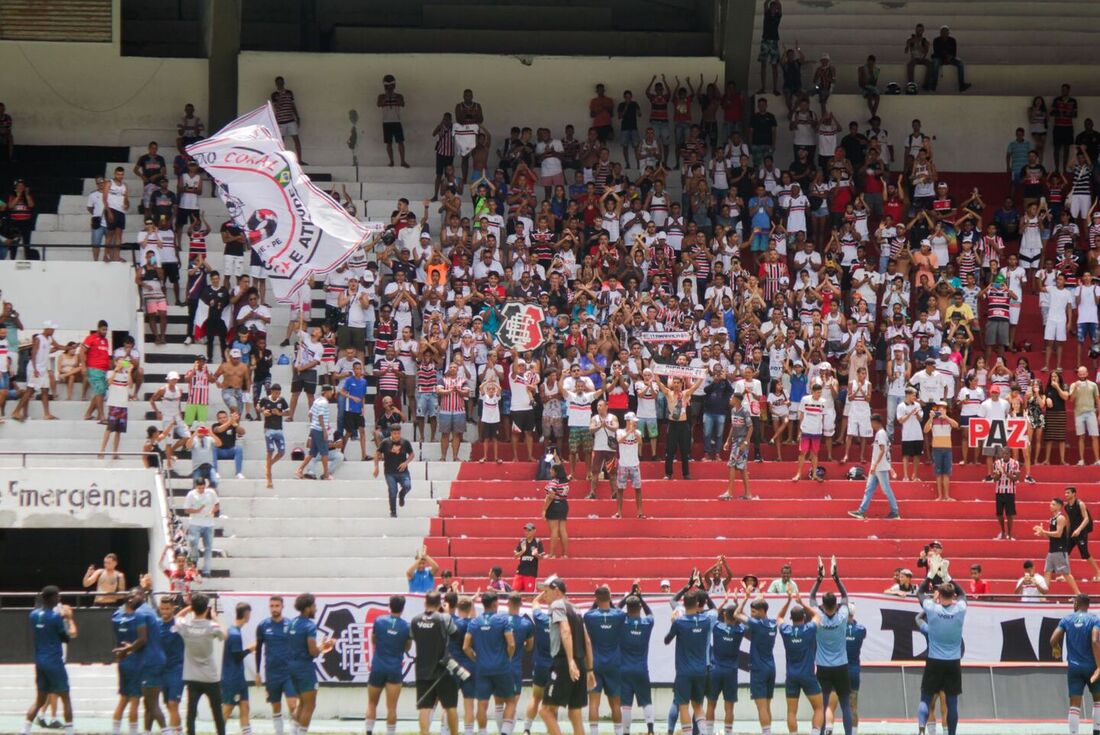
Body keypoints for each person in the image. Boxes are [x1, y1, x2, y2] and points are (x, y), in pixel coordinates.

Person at [540, 579, 594, 735]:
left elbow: (565, 630)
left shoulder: (557, 605)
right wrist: (589, 669)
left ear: (556, 590)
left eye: (547, 591)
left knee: (546, 711)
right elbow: (587, 641)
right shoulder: (576, 609)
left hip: (564, 663)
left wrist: (570, 662)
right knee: (575, 714)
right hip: (580, 664)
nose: (544, 595)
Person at [22, 586, 77, 735]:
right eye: (57, 596)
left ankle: (24, 731)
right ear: (52, 598)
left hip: (40, 662)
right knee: (65, 697)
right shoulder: (55, 617)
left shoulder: (32, 615)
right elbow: (66, 638)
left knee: (40, 700)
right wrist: (68, 618)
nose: (59, 599)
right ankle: (70, 731)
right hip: (54, 661)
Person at [808, 557, 854, 735]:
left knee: (823, 704)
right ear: (835, 605)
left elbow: (811, 597)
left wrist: (819, 578)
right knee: (844, 704)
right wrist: (836, 577)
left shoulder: (817, 617)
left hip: (823, 667)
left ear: (823, 605)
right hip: (841, 666)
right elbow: (845, 596)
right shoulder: (843, 615)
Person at [915, 578, 967, 735]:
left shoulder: (932, 608)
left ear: (940, 595)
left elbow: (920, 592)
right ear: (953, 596)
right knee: (952, 703)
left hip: (934, 661)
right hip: (953, 662)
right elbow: (963, 593)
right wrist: (949, 576)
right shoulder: (960, 610)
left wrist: (930, 575)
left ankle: (922, 730)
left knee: (925, 698)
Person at [464, 591, 518, 735]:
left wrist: (476, 659)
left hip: (482, 669)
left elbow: (465, 647)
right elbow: (511, 644)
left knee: (482, 703)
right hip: (502, 668)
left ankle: (482, 732)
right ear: (494, 603)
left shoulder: (474, 622)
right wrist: (508, 658)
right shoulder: (503, 620)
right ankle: (505, 732)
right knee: (511, 701)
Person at [1050, 593, 1100, 735]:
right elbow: (1095, 641)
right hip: (1092, 666)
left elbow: (1053, 639)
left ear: (1077, 604)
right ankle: (1097, 731)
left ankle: (1073, 733)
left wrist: (1056, 647)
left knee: (1074, 705)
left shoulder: (1067, 619)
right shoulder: (1094, 619)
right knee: (1098, 701)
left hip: (1074, 668)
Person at [411, 591, 460, 735]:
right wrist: (446, 613)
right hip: (443, 670)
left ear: (425, 603)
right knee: (450, 706)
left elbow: (411, 638)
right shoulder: (444, 618)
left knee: (425, 708)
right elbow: (456, 635)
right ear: (440, 604)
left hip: (423, 670)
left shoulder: (415, 620)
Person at [777, 588, 823, 735]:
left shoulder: (786, 630)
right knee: (819, 708)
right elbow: (817, 615)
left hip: (791, 676)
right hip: (808, 675)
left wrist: (788, 600)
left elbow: (779, 617)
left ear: (791, 618)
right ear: (804, 616)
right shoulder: (809, 629)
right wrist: (802, 602)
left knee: (791, 711)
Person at [286, 594, 335, 735]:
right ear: (307, 608)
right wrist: (324, 646)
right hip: (304, 668)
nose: (316, 608)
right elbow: (312, 651)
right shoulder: (309, 625)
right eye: (314, 606)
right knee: (310, 705)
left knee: (301, 703)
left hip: (291, 666)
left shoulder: (292, 623)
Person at [732, 591, 778, 735]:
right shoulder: (772, 624)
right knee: (767, 705)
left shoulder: (756, 625)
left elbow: (736, 615)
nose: (751, 614)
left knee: (761, 707)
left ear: (762, 611)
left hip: (758, 669)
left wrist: (744, 598)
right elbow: (750, 619)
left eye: (753, 611)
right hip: (771, 668)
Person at [365, 596, 412, 735]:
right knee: (392, 707)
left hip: (378, 666)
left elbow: (373, 640)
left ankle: (368, 731)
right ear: (403, 608)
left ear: (389, 606)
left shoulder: (379, 621)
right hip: (394, 668)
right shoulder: (406, 626)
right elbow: (407, 648)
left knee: (372, 703)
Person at [584, 586, 626, 735]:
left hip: (595, 663)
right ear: (610, 597)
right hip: (614, 663)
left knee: (594, 703)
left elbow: (590, 611)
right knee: (616, 703)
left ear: (596, 599)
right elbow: (615, 609)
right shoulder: (619, 615)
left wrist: (597, 601)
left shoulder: (589, 616)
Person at [254, 596, 298, 735]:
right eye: (272, 606)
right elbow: (258, 650)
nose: (274, 608)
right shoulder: (263, 626)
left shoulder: (290, 625)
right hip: (272, 673)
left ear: (282, 607)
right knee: (276, 707)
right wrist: (257, 672)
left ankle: (295, 733)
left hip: (289, 673)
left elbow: (297, 647)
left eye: (277, 606)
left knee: (293, 706)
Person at [848, 414, 901, 520]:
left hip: (880, 467)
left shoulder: (881, 434)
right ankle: (861, 511)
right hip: (877, 467)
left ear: (875, 422)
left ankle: (895, 512)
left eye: (872, 423)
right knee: (869, 489)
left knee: (886, 489)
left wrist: (875, 465)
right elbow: (886, 452)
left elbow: (882, 450)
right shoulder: (882, 433)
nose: (871, 425)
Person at [619, 589, 655, 735]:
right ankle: (651, 730)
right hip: (641, 669)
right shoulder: (647, 623)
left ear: (627, 609)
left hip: (624, 670)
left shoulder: (621, 623)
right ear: (639, 607)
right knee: (646, 701)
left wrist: (628, 596)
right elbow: (651, 614)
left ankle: (626, 732)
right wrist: (641, 598)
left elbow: (615, 610)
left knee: (626, 705)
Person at [110, 593, 147, 735]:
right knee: (134, 700)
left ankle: (115, 731)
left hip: (122, 660)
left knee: (123, 699)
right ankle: (133, 732)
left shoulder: (116, 617)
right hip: (135, 659)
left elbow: (120, 611)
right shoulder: (136, 619)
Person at [1034, 497, 1081, 595]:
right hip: (1051, 550)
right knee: (1047, 572)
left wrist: (1044, 531)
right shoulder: (1052, 519)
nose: (1050, 506)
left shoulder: (1061, 518)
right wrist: (1041, 533)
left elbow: (1058, 534)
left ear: (1059, 506)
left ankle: (1078, 594)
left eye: (1053, 504)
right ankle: (1043, 596)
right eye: (1050, 504)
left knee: (1066, 574)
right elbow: (1050, 536)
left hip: (1060, 550)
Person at [221, 602, 253, 735]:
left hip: (239, 678)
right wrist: (250, 649)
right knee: (227, 708)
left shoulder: (234, 631)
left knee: (245, 706)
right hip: (232, 678)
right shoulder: (234, 634)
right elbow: (237, 656)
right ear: (246, 614)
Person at [718, 391, 755, 500]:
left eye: (732, 398)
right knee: (742, 468)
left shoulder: (744, 412)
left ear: (737, 400)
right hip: (735, 441)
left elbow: (751, 427)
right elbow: (733, 427)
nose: (730, 399)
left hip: (741, 442)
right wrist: (728, 440)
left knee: (732, 465)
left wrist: (745, 442)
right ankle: (748, 494)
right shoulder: (733, 410)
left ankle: (729, 492)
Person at [375, 424, 415, 518]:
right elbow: (377, 453)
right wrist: (376, 467)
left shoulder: (405, 442)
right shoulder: (385, 442)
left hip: (403, 471)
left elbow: (412, 454)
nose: (396, 435)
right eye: (394, 433)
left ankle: (402, 495)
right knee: (393, 490)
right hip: (390, 472)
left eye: (398, 433)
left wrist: (406, 462)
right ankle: (393, 511)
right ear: (391, 433)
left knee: (407, 486)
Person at [296, 384, 335, 480]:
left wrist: (314, 424)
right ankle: (326, 474)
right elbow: (320, 416)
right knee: (324, 453)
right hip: (320, 430)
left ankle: (299, 470)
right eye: (330, 391)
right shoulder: (324, 402)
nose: (331, 394)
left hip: (314, 429)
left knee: (312, 453)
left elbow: (310, 414)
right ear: (326, 392)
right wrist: (324, 430)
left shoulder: (317, 400)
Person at [924, 400, 959, 501]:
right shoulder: (933, 421)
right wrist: (930, 418)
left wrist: (946, 417)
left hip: (947, 449)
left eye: (943, 408)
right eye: (939, 408)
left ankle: (947, 496)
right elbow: (925, 430)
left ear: (946, 410)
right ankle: (940, 496)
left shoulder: (948, 419)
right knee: (938, 473)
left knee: (946, 473)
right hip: (937, 449)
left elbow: (956, 425)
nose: (941, 410)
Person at [1064, 486, 1100, 582]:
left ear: (1074, 493)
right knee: (1066, 552)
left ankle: (1098, 572)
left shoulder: (1080, 504)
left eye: (1068, 493)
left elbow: (1086, 518)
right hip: (1072, 532)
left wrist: (1079, 530)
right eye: (1065, 493)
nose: (1066, 495)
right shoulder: (1066, 506)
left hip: (1081, 532)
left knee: (1085, 553)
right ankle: (1066, 574)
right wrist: (1066, 533)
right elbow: (1068, 521)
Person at [792, 382, 827, 482]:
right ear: (812, 392)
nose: (819, 394)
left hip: (817, 431)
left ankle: (815, 474)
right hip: (806, 430)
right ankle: (798, 474)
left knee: (815, 453)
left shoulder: (823, 401)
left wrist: (822, 429)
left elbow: (823, 416)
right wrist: (799, 431)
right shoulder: (805, 399)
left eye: (820, 392)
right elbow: (801, 415)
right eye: (817, 392)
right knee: (803, 452)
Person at [184, 479, 219, 577]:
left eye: (203, 488)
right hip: (195, 523)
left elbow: (217, 504)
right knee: (193, 544)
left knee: (208, 547)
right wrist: (197, 510)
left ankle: (206, 570)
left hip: (208, 523)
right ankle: (193, 566)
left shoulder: (211, 493)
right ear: (196, 486)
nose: (201, 490)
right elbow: (186, 510)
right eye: (199, 488)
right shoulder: (191, 494)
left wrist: (213, 511)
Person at [615, 412, 645, 519]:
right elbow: (619, 441)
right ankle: (618, 512)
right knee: (620, 489)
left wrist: (634, 432)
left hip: (634, 464)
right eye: (633, 421)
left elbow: (640, 442)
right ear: (628, 421)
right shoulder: (620, 432)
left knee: (638, 488)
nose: (635, 423)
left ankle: (640, 512)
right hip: (623, 464)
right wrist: (629, 432)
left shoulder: (638, 432)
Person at [1069, 366, 1100, 465]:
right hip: (1079, 413)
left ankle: (1097, 460)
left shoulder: (1093, 385)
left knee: (1095, 436)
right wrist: (1076, 389)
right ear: (1078, 374)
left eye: (1084, 373)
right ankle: (1081, 460)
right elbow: (1071, 399)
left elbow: (1097, 400)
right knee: (1081, 437)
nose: (1082, 375)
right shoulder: (1073, 385)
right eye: (1080, 373)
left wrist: (1099, 414)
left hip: (1091, 412)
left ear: (1087, 373)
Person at [259, 383, 288, 489]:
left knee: (281, 452)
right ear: (271, 392)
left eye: (279, 393)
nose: (277, 395)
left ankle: (269, 465)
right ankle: (269, 479)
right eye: (276, 393)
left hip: (279, 429)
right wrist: (263, 411)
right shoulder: (265, 400)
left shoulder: (282, 400)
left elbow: (288, 412)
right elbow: (258, 407)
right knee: (270, 451)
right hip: (269, 429)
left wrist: (279, 413)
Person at [544, 447, 571, 559]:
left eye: (551, 470)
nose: (550, 471)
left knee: (554, 530)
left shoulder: (553, 482)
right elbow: (560, 465)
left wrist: (544, 509)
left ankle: (552, 554)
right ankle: (565, 554)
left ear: (555, 472)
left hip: (554, 505)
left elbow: (550, 496)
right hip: (564, 504)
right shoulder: (564, 479)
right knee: (563, 530)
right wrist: (555, 456)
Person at [378, 74, 408, 168]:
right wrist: (387, 96)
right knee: (389, 143)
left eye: (391, 85)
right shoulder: (381, 96)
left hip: (396, 121)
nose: (390, 87)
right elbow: (379, 104)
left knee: (400, 142)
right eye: (388, 85)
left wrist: (393, 96)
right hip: (386, 122)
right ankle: (391, 161)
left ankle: (403, 161)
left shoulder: (399, 95)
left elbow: (402, 103)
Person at [271, 76, 304, 163]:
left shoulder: (289, 93)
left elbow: (292, 105)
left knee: (296, 140)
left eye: (281, 82)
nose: (280, 84)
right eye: (278, 83)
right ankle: (282, 161)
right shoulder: (274, 95)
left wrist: (297, 116)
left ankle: (299, 160)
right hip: (280, 121)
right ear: (276, 84)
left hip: (290, 120)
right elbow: (276, 107)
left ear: (283, 82)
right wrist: (281, 97)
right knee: (281, 142)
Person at [929, 25, 970, 93]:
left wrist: (950, 57)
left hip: (950, 58)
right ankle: (933, 85)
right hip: (940, 58)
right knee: (935, 62)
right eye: (943, 32)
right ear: (940, 33)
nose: (944, 34)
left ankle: (962, 85)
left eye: (946, 32)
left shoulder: (952, 40)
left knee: (960, 63)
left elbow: (954, 52)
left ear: (948, 33)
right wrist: (945, 56)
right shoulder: (936, 40)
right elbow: (936, 52)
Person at [991, 446, 1020, 541]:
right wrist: (999, 474)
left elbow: (1016, 478)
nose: (1004, 455)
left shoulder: (1015, 463)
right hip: (999, 491)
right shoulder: (997, 463)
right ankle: (1003, 532)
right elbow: (994, 478)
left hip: (1010, 491)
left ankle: (1010, 534)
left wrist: (1006, 473)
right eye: (1003, 453)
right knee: (999, 514)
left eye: (1006, 453)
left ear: (1010, 454)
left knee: (1009, 514)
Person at [513, 523, 544, 593]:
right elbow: (515, 556)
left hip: (530, 573)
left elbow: (541, 557)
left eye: (529, 530)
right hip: (520, 572)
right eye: (525, 530)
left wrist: (536, 555)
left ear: (534, 531)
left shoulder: (537, 542)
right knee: (514, 593)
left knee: (529, 595)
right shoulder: (522, 541)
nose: (527, 532)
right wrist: (522, 551)